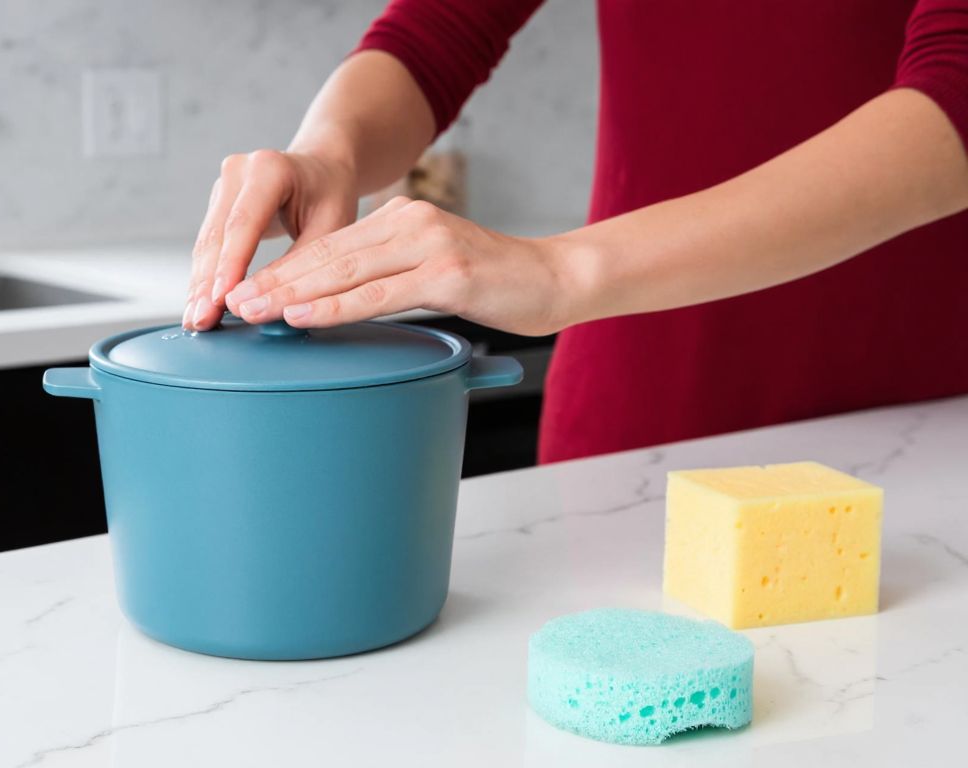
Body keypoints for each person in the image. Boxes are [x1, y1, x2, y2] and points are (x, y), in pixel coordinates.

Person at [180, 0, 968, 463]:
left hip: (908, 423)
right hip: (633, 415)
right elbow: (439, 33)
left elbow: (956, 92)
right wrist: (330, 152)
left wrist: (560, 274)